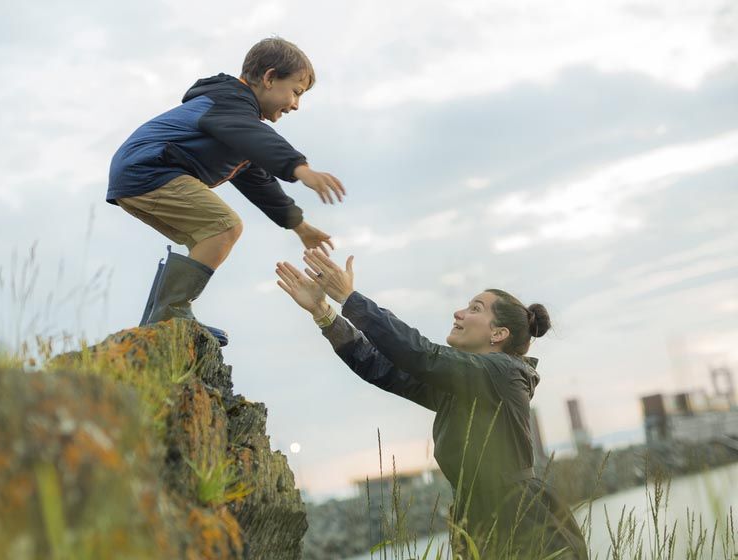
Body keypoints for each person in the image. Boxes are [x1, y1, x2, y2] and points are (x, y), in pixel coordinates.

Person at [275, 249, 588, 559]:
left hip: (529, 532)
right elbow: (382, 368)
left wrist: (350, 299)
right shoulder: (465, 384)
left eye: (475, 308)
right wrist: (323, 313)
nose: (459, 313)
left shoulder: (504, 374)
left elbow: (420, 354)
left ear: (498, 334)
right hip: (483, 528)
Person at [107, 37, 345, 346]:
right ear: (270, 78)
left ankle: (157, 324)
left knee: (205, 238)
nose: (296, 105)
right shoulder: (231, 103)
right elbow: (254, 136)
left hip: (138, 174)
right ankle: (169, 317)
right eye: (296, 92)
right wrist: (300, 168)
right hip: (150, 168)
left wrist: (299, 226)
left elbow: (259, 181)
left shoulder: (234, 120)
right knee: (224, 227)